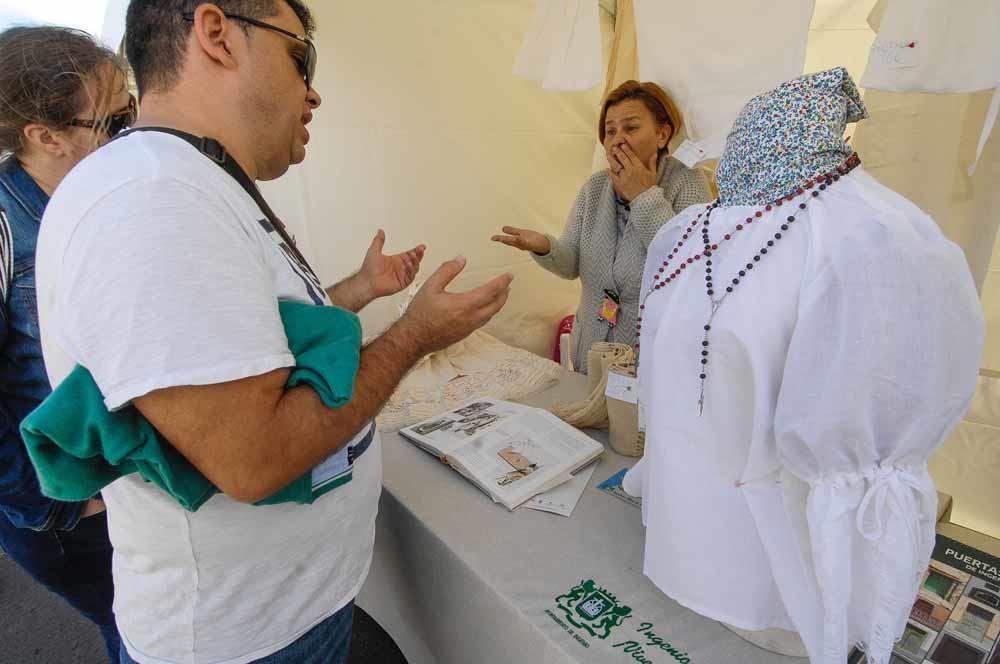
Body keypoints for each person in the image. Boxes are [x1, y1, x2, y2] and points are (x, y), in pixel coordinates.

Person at [34, 2, 512, 663]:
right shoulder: (150, 202)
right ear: (217, 34)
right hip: (247, 639)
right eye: (300, 56)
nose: (312, 91)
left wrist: (358, 290)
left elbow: (261, 343)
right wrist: (414, 337)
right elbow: (255, 458)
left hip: (276, 616)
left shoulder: (187, 181)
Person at [623, 67, 983, 663]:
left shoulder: (878, 243)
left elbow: (880, 417)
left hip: (787, 580)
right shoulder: (687, 234)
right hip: (693, 542)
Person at [0, 25, 133, 663]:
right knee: (141, 633)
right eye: (115, 120)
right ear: (44, 135)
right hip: (70, 509)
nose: (132, 134)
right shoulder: (5, 230)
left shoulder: (95, 191)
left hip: (120, 483)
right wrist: (58, 503)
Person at [492, 80, 711, 373]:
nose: (617, 139)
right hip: (591, 355)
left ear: (662, 134)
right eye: (610, 131)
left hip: (652, 364)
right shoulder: (595, 188)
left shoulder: (689, 184)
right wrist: (544, 247)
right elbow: (570, 263)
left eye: (630, 128)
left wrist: (643, 196)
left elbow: (687, 267)